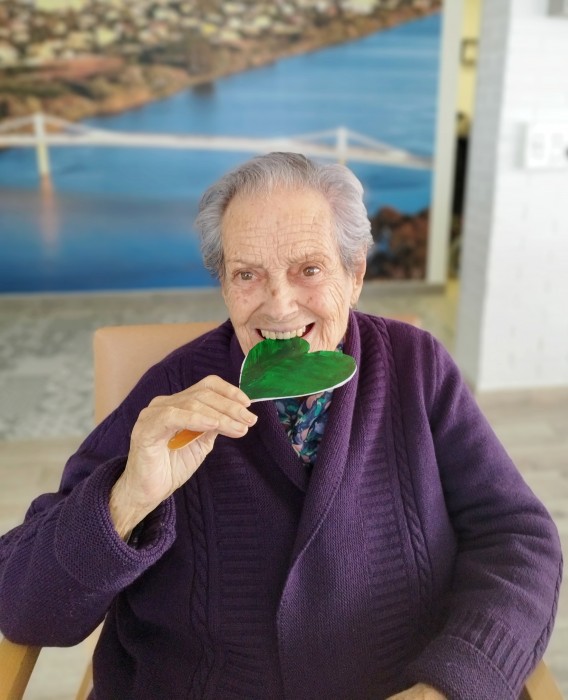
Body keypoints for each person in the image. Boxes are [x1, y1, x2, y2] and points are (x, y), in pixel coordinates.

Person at [0, 153, 562, 700]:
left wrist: (451, 684)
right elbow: (24, 604)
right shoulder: (170, 391)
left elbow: (517, 537)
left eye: (308, 269)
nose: (279, 306)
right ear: (224, 284)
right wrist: (128, 498)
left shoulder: (416, 365)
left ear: (355, 273)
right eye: (247, 274)